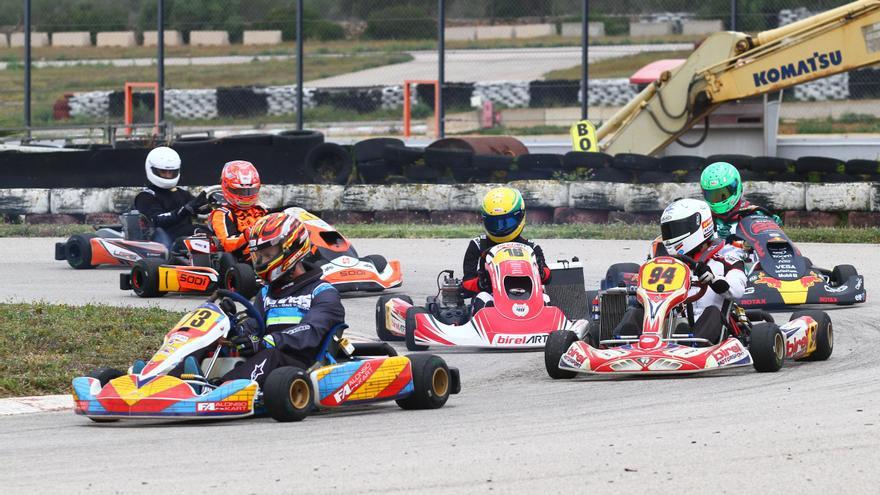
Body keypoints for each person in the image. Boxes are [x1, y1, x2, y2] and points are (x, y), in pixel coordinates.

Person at [223, 212, 345, 385]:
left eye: (267, 255)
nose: (262, 261)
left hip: (302, 366)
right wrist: (235, 329)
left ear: (291, 249)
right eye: (259, 256)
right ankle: (176, 382)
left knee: (270, 354)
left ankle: (221, 389)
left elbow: (311, 330)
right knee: (214, 344)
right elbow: (254, 325)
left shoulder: (322, 292)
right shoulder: (266, 293)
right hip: (267, 361)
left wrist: (266, 342)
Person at [613, 198, 747, 345]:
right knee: (635, 311)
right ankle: (621, 345)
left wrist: (713, 279)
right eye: (668, 230)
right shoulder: (664, 262)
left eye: (676, 229)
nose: (671, 235)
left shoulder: (728, 258)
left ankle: (690, 344)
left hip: (707, 329)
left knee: (712, 313)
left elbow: (737, 290)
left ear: (699, 225)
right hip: (666, 324)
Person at [461, 186, 551, 314]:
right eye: (494, 223)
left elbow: (548, 277)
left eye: (506, 222)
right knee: (483, 298)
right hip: (492, 300)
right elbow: (467, 284)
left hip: (529, 298)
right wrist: (482, 282)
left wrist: (540, 272)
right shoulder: (477, 245)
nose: (500, 228)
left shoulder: (531, 247)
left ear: (520, 216)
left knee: (545, 298)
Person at [133, 146, 207, 248]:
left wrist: (208, 205)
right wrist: (183, 211)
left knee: (206, 232)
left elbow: (198, 207)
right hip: (162, 242)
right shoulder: (146, 196)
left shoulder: (181, 193)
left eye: (171, 172)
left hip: (185, 236)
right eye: (163, 172)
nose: (168, 175)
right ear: (153, 170)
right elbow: (157, 220)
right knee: (194, 233)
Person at [700, 161, 783, 240]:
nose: (717, 199)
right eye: (712, 195)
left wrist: (772, 225)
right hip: (715, 253)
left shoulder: (751, 213)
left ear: (735, 187)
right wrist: (715, 238)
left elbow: (768, 240)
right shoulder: (704, 218)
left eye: (723, 194)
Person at [208, 160, 268, 260]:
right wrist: (247, 235)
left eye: (251, 191)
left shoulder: (260, 209)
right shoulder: (222, 214)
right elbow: (226, 244)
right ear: (228, 188)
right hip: (246, 259)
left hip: (269, 250)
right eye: (241, 191)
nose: (247, 196)